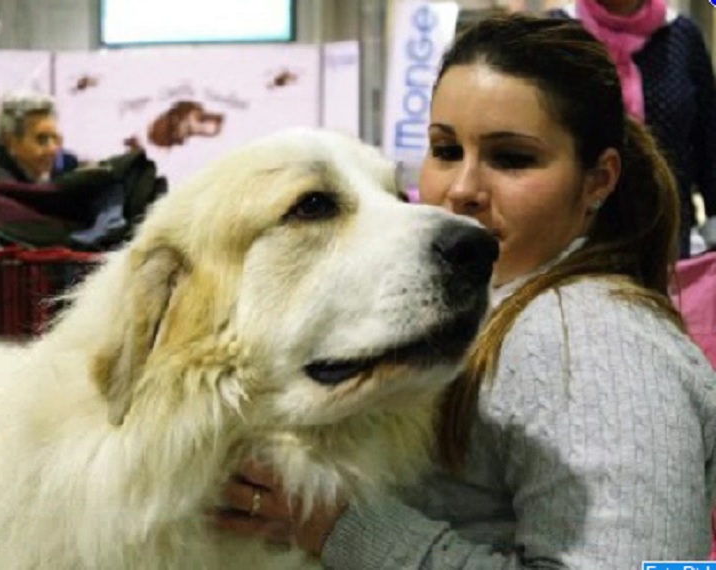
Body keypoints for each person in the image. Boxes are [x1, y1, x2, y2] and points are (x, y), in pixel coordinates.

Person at [214, 14, 716, 567]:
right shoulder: (497, 308)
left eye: (512, 158)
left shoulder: (601, 343)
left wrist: (344, 528)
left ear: (597, 181)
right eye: (446, 150)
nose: (462, 190)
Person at [548, 0, 716, 259]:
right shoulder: (555, 32)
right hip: (575, 238)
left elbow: (709, 140)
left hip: (669, 240)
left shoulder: (681, 35)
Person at [0, 91, 63, 183]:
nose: (53, 149)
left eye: (55, 139)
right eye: (42, 140)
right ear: (10, 142)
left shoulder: (27, 184)